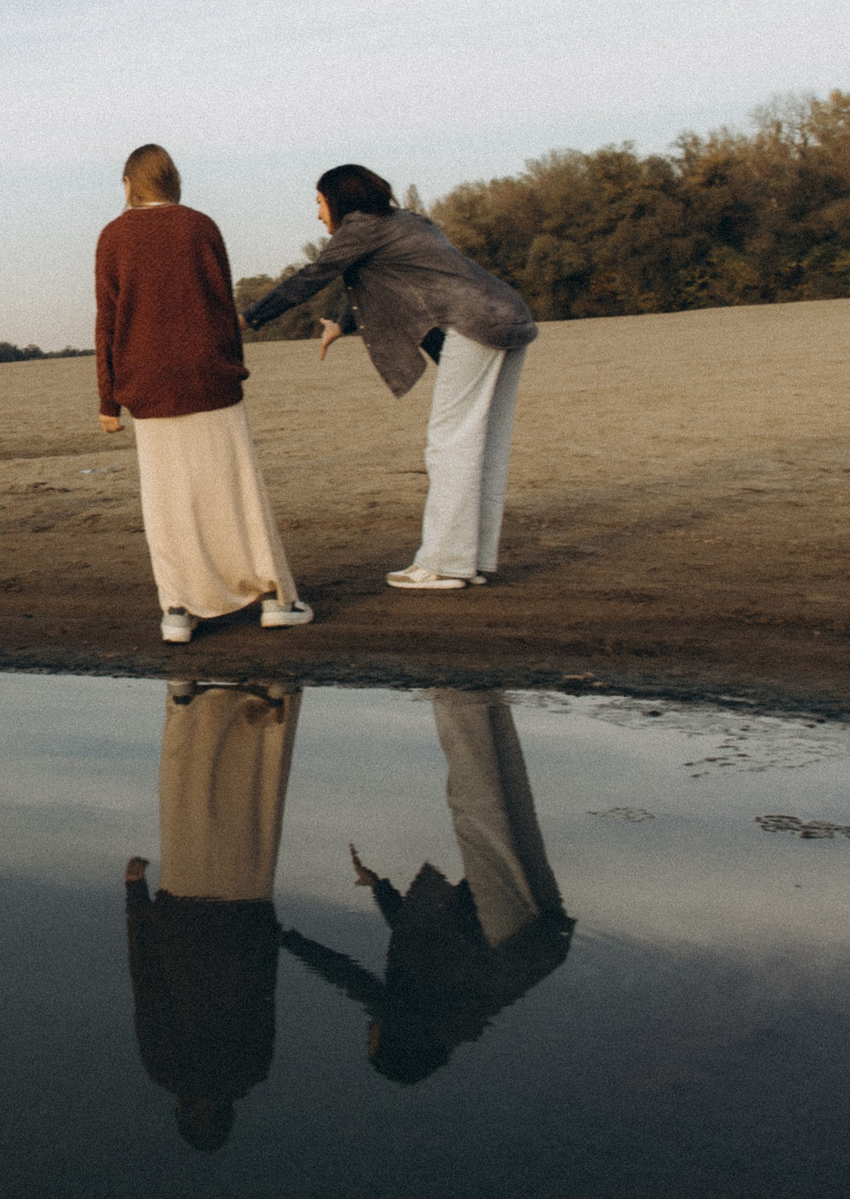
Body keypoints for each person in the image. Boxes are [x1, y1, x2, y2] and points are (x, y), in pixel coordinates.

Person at [243, 164, 539, 591]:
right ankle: (469, 560)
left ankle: (444, 563)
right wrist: (343, 325)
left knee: (449, 443)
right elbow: (379, 275)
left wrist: (248, 318)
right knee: (484, 442)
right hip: (507, 316)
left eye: (320, 203)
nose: (318, 215)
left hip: (473, 325)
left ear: (339, 201)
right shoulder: (405, 222)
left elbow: (312, 277)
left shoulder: (362, 227)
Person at [279, 690, 573, 1085]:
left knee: (514, 811)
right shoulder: (414, 1023)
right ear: (392, 1044)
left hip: (542, 939)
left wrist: (379, 887)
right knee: (478, 817)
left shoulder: (447, 1021)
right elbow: (349, 979)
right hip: (511, 936)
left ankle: (487, 700)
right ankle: (460, 696)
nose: (370, 1028)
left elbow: (419, 939)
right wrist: (288, 941)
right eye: (372, 1039)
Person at [94, 144, 310, 644]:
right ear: (173, 181)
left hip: (146, 385)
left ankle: (178, 608)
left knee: (167, 500)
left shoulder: (113, 235)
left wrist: (108, 400)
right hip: (209, 377)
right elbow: (220, 300)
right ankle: (275, 597)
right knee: (236, 489)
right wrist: (234, 367)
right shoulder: (200, 225)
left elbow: (108, 320)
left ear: (129, 184)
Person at [125, 679, 301, 1152]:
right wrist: (134, 895)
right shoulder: (165, 1070)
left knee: (252, 796)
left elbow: (265, 985)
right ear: (185, 1114)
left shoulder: (252, 1070)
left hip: (246, 912)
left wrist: (269, 925)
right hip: (185, 915)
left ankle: (271, 700)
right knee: (192, 793)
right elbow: (147, 982)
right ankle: (192, 702)